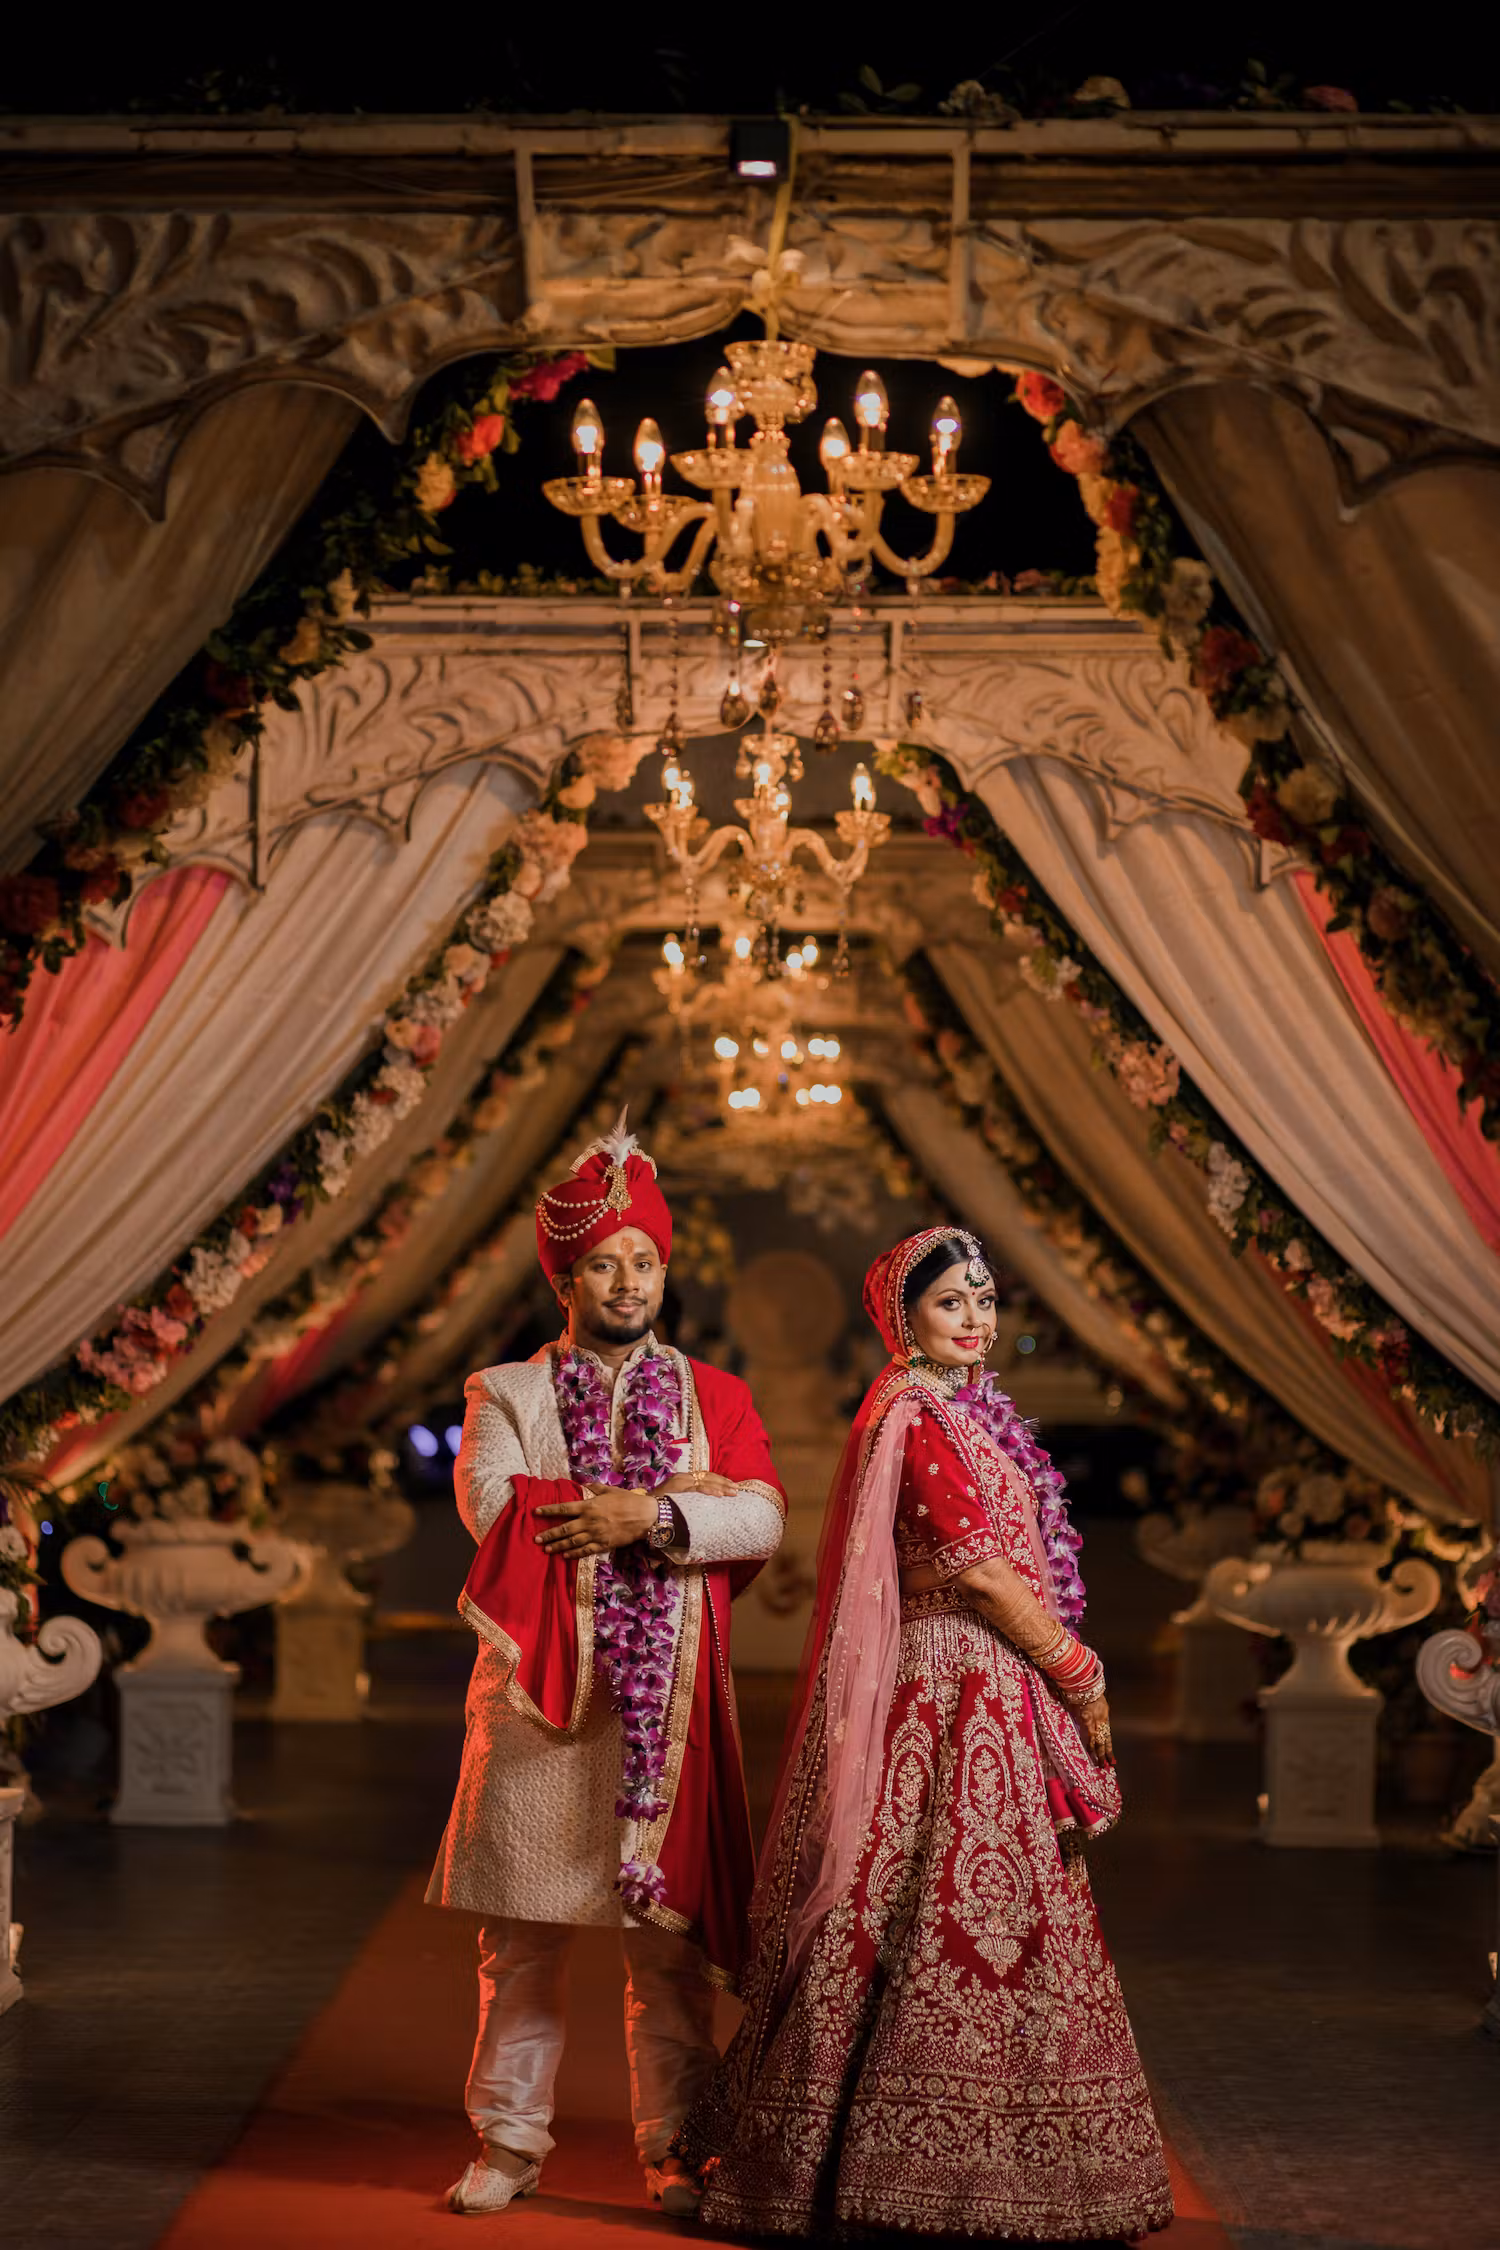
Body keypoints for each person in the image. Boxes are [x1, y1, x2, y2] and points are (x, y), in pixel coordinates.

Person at [677, 1224, 1173, 2240]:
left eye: (987, 1300)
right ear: (905, 1319)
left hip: (986, 1686)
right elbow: (982, 1569)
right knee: (940, 1909)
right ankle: (890, 2163)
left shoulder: (958, 1411)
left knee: (954, 1911)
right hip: (954, 1689)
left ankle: (968, 2156)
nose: (977, 1319)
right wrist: (1078, 1668)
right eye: (953, 1302)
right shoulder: (919, 1415)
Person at [427, 1116, 786, 2216]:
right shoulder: (508, 1396)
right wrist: (674, 1506)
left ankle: (673, 2149)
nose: (628, 1281)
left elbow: (764, 1515)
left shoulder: (715, 1396)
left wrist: (653, 1514)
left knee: (663, 1955)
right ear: (565, 1278)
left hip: (663, 1715)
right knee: (520, 1946)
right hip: (540, 1709)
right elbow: (491, 1508)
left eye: (645, 1262)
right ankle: (507, 2143)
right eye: (604, 1264)